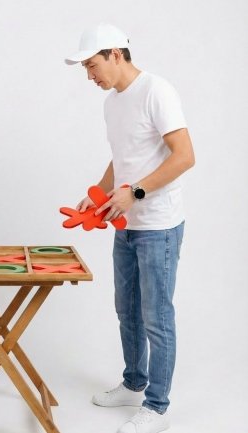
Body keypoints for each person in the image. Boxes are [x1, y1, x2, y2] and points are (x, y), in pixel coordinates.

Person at [65, 23, 195, 433]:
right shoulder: (112, 102)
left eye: (92, 65)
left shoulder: (157, 91)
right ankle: (134, 381)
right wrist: (100, 194)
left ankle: (157, 407)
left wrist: (135, 192)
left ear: (116, 55)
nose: (89, 75)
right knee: (127, 310)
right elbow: (122, 156)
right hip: (125, 225)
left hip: (158, 226)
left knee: (157, 316)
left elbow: (184, 156)